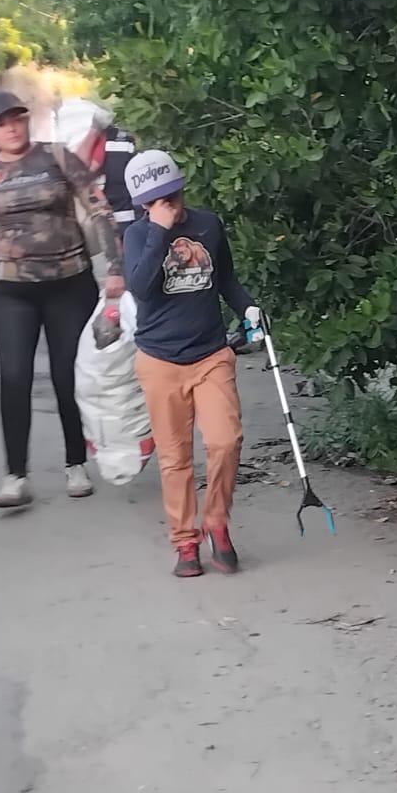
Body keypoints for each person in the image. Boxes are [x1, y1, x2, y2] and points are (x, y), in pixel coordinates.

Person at [0, 90, 125, 508]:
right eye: (1, 122)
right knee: (14, 377)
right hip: (11, 292)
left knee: (67, 375)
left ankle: (75, 464)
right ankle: (16, 475)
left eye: (17, 118)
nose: (11, 127)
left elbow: (99, 210)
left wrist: (116, 268)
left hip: (69, 284)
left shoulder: (59, 157)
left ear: (26, 120)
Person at [121, 149, 262, 578]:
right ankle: (185, 542)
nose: (170, 206)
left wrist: (249, 309)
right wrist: (159, 233)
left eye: (173, 195)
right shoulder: (136, 236)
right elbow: (141, 289)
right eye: (158, 201)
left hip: (210, 353)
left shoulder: (208, 224)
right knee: (174, 457)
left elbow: (226, 280)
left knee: (224, 440)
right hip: (159, 359)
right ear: (144, 205)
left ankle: (216, 522)